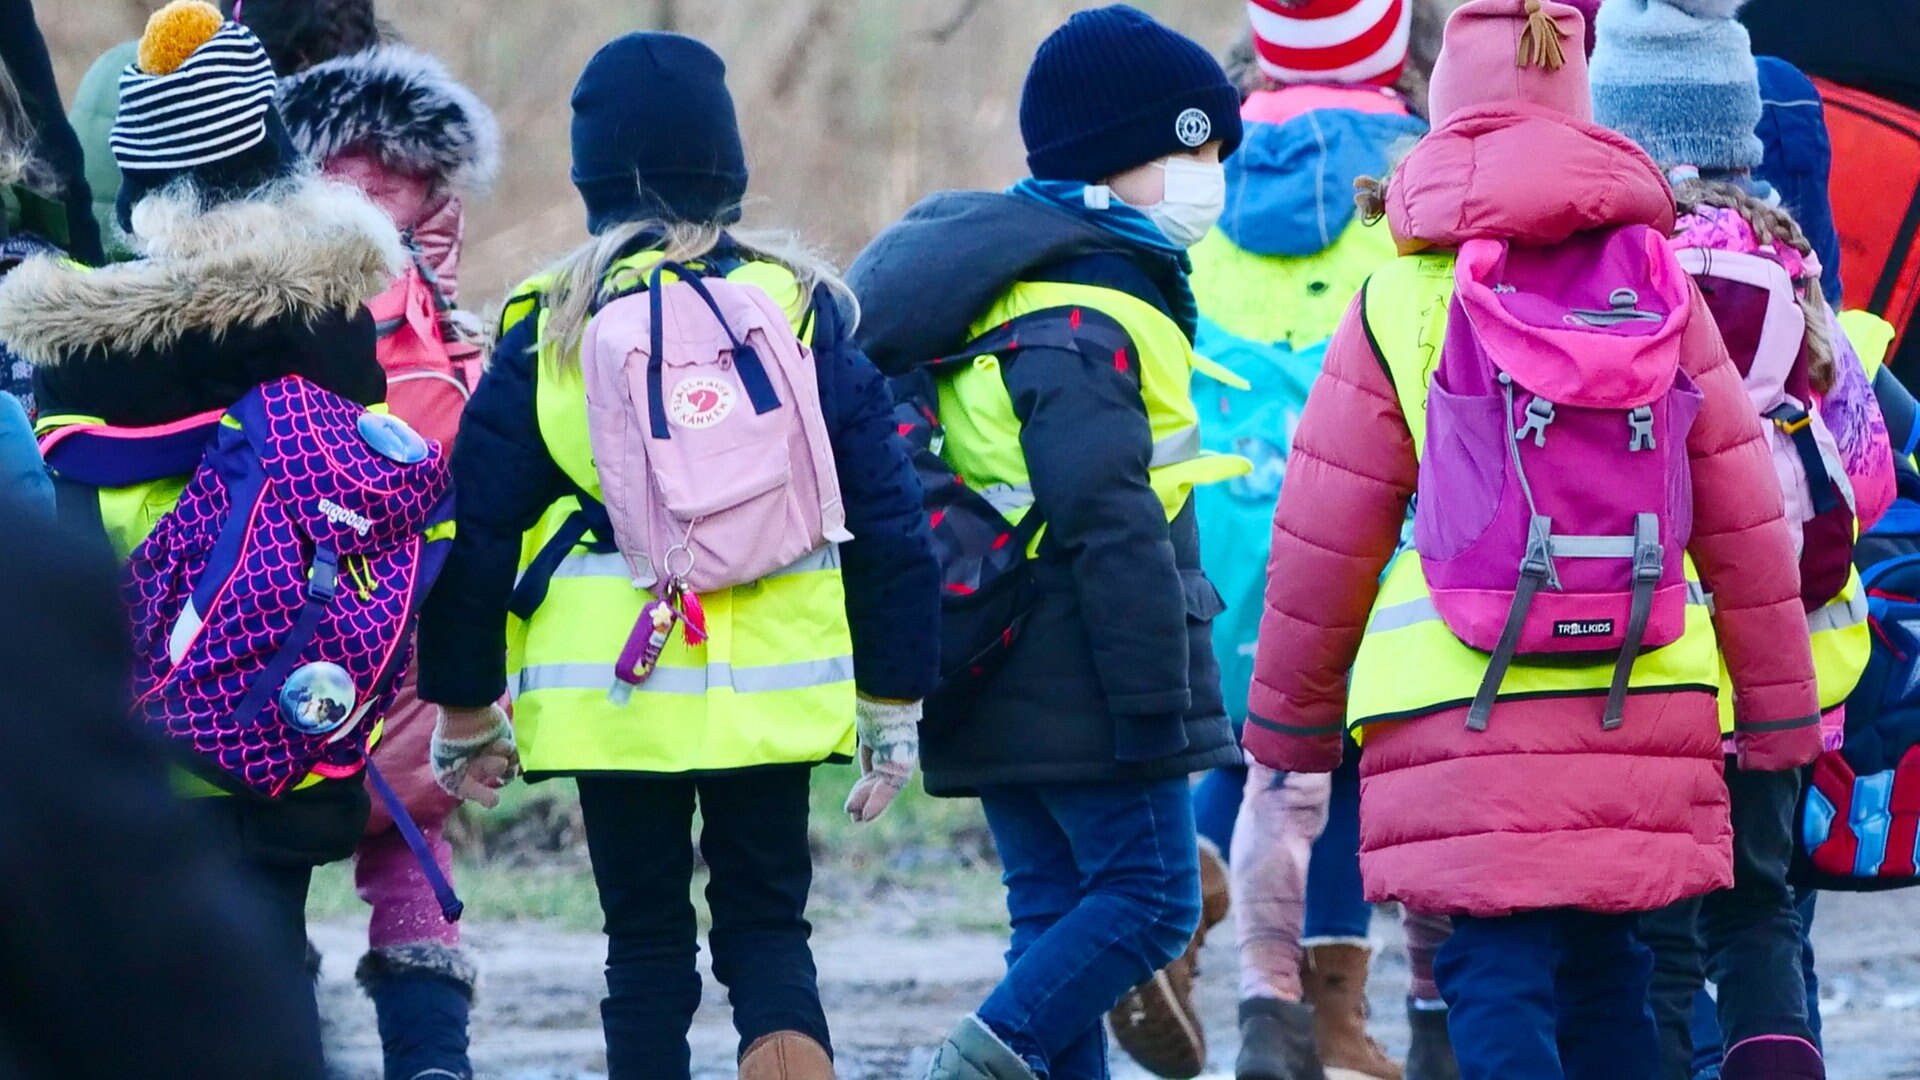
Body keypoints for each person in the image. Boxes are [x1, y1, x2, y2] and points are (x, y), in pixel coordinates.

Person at [1242, 3, 1822, 1079]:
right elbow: (1743, 522)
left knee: (1495, 971)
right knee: (1613, 971)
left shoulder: (1397, 296)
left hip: (1459, 702)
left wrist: (1289, 732)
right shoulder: (1661, 289)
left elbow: (1325, 540)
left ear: (1444, 119)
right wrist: (1781, 715)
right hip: (1640, 685)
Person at [414, 29, 939, 1080]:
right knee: (769, 929)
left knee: (644, 940)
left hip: (616, 699)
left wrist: (465, 711)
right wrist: (893, 703)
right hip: (771, 692)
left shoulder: (546, 328)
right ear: (728, 169)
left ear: (589, 175)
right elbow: (890, 521)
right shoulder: (802, 315)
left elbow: (472, 537)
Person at [849, 7, 1246, 1077]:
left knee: (1054, 914)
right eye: (1195, 148)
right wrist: (1156, 702)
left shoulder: (993, 281)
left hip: (994, 658)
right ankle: (979, 1059)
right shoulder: (1088, 305)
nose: (1214, 175)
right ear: (1118, 158)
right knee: (1154, 903)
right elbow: (1109, 517)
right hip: (1093, 673)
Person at [0, 0, 400, 1040]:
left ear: (137, 186)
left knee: (144, 996)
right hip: (288, 715)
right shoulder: (333, 325)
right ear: (272, 158)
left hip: (142, 727)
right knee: (269, 958)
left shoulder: (77, 351)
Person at [1112, 3, 1462, 1078]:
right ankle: (1218, 921)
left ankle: (1308, 1004)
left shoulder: (1194, 178)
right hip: (1374, 521)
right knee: (1347, 756)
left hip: (1218, 527)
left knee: (1270, 744)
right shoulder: (1422, 176)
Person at [1590, 5, 1890, 1075]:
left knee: (1659, 941)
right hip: (1776, 667)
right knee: (1759, 915)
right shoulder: (1787, 269)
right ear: (1740, 131)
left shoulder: (1591, 273)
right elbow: (1862, 475)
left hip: (1634, 658)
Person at [273, 9, 501, 1074]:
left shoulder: (268, 285)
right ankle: (433, 1064)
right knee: (411, 856)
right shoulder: (447, 320)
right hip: (414, 633)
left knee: (260, 867)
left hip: (274, 637)